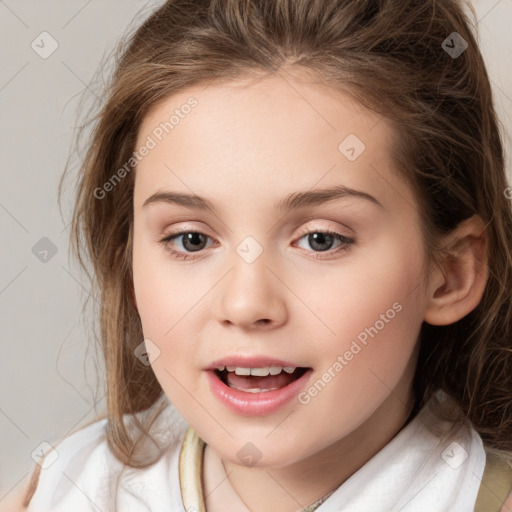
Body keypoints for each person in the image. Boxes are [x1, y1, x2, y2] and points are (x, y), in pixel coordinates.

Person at [18, 0, 512, 510]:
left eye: (321, 239)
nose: (245, 303)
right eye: (191, 239)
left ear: (450, 273)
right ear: (130, 266)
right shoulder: (67, 490)